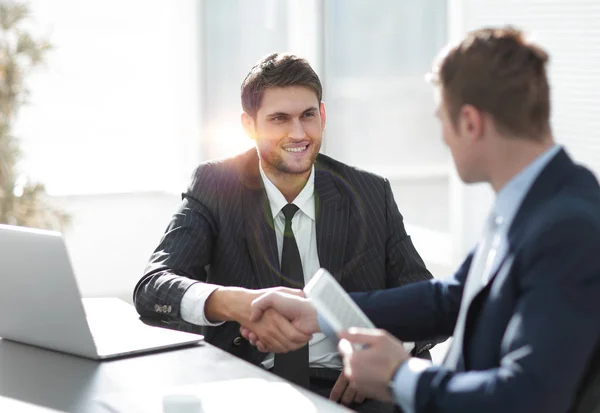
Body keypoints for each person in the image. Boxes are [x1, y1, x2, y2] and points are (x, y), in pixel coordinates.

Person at [243, 27, 600, 413]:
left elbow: (530, 397)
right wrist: (319, 314)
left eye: (441, 119)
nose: (443, 138)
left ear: (470, 122)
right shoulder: (533, 198)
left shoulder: (568, 227)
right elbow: (453, 296)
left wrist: (399, 376)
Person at [133, 53, 438, 412]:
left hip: (353, 388)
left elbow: (429, 301)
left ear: (322, 116)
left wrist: (381, 356)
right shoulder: (216, 186)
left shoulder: (370, 193)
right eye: (279, 119)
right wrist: (234, 303)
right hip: (249, 386)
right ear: (250, 125)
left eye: (307, 115)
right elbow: (153, 287)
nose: (298, 133)